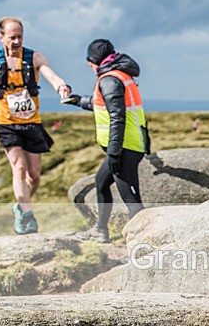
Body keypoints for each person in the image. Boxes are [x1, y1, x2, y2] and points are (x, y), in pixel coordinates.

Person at [0, 17, 71, 234]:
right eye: (12, 37)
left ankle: (21, 206)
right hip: (6, 123)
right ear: (1, 37)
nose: (17, 41)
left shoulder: (34, 58)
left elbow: (51, 75)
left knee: (34, 176)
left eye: (20, 37)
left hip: (31, 123)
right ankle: (27, 216)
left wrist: (61, 86)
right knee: (19, 169)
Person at [63, 39, 149, 243]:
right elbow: (102, 104)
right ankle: (100, 231)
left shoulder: (109, 79)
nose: (89, 65)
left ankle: (145, 244)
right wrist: (78, 101)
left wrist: (113, 153)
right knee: (101, 183)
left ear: (94, 60)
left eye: (89, 61)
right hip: (124, 145)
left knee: (132, 202)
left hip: (125, 148)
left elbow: (117, 118)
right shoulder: (118, 75)